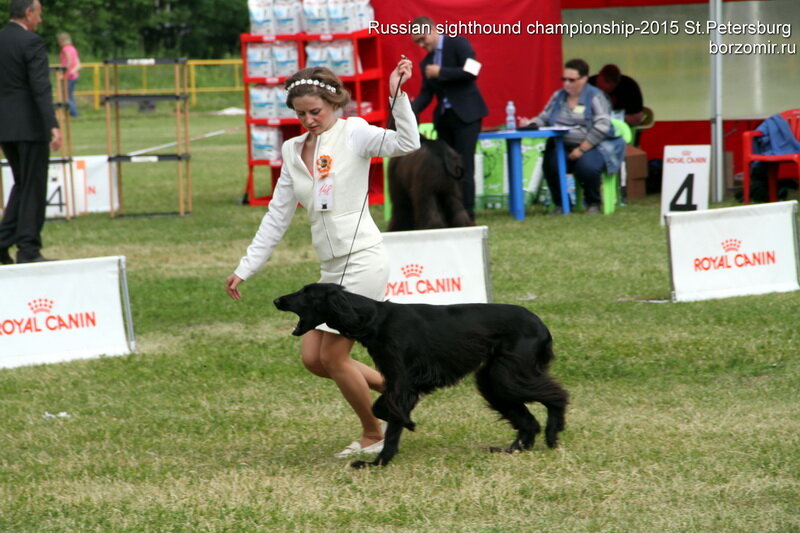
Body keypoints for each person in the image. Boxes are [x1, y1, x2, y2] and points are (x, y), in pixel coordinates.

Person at [225, 61, 420, 458]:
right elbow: (277, 215)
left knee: (333, 355)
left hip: (363, 258)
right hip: (331, 268)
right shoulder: (292, 150)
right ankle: (398, 389)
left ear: (334, 103)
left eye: (316, 111)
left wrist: (397, 95)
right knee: (313, 360)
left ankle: (374, 433)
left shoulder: (356, 133)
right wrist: (245, 267)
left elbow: (407, 143)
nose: (309, 119)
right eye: (301, 113)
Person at [519, 58, 625, 215]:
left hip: (594, 145)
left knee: (587, 167)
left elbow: (602, 125)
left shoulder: (595, 96)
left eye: (572, 80)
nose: (567, 84)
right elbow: (544, 117)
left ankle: (593, 203)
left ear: (584, 79)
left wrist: (582, 149)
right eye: (564, 79)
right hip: (562, 145)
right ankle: (561, 204)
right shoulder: (558, 96)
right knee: (550, 164)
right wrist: (531, 123)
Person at [0, 0, 62, 265]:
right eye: (38, 14)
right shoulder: (32, 42)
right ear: (28, 13)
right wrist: (52, 124)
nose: (40, 20)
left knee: (22, 184)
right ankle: (28, 248)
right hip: (30, 126)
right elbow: (40, 87)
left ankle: (2, 243)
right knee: (33, 185)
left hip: (4, 126)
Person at [410, 16, 488, 221]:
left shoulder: (457, 42)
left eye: (423, 38)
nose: (422, 44)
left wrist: (441, 72)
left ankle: (468, 213)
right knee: (445, 167)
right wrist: (411, 108)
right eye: (417, 42)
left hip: (467, 115)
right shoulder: (426, 62)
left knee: (464, 165)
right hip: (444, 118)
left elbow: (473, 70)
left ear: (434, 29)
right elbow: (427, 94)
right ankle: (449, 212)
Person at [56, 32, 80, 117]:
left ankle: (74, 114)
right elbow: (77, 63)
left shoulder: (65, 49)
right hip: (74, 75)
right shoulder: (73, 48)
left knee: (66, 96)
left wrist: (64, 73)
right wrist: (74, 70)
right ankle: (71, 113)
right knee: (70, 96)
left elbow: (69, 62)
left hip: (68, 75)